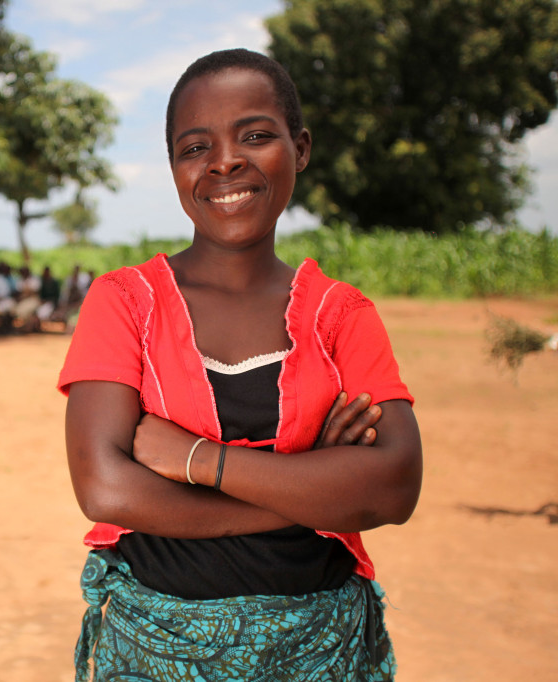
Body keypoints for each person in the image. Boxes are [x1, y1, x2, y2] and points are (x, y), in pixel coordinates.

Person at [58, 48, 422, 681]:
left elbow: (394, 485)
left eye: (254, 135)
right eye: (195, 147)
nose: (225, 161)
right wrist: (314, 488)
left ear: (300, 148)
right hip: (156, 649)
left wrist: (201, 462)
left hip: (322, 647)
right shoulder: (125, 303)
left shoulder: (341, 315)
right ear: (174, 168)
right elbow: (105, 488)